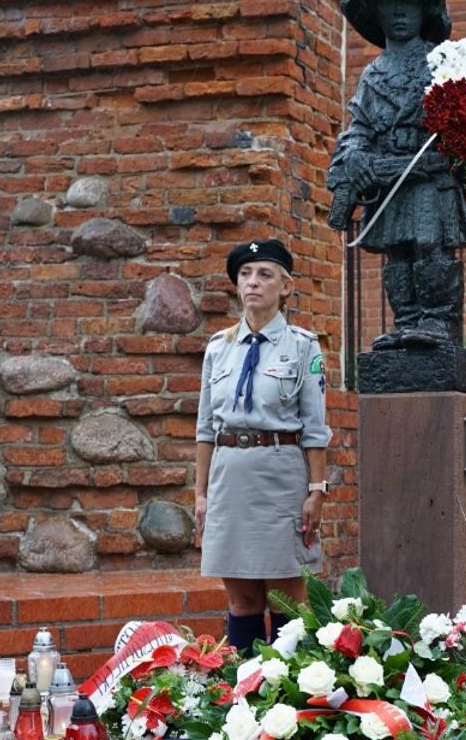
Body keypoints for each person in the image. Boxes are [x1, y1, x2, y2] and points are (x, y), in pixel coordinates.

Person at [326, 0, 466, 350]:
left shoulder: (446, 64)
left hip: (431, 177)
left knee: (430, 249)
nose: (399, 12)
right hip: (388, 180)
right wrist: (356, 156)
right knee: (398, 254)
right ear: (375, 9)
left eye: (409, 2)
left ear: (425, 8)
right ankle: (408, 320)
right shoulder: (372, 74)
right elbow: (359, 126)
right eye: (389, 2)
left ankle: (436, 323)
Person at [193, 239, 331, 653]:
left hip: (280, 477)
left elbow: (315, 428)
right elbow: (205, 427)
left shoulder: (304, 346)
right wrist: (200, 494)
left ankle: (292, 699)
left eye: (265, 274)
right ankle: (243, 696)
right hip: (229, 478)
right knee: (242, 600)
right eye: (246, 274)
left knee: (287, 598)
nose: (253, 282)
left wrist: (317, 491)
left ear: (285, 287)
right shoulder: (219, 349)